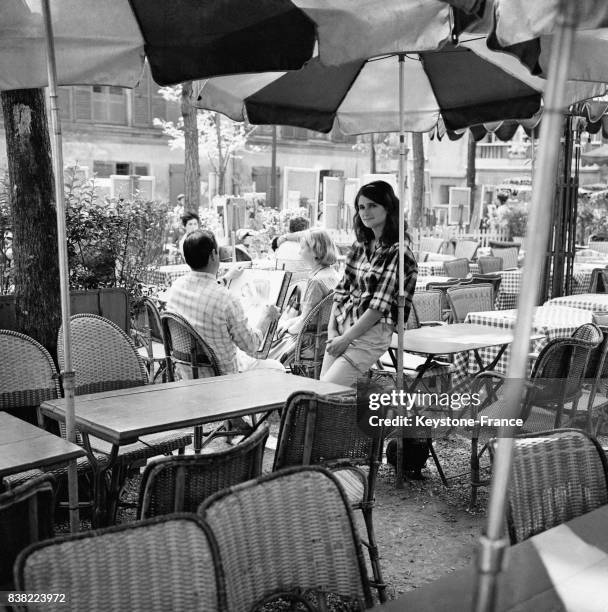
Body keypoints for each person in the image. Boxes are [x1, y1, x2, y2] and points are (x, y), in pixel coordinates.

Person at [320, 181, 417, 387]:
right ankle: (358, 415)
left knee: (327, 389)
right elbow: (341, 291)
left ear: (388, 207)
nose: (365, 212)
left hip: (370, 333)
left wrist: (345, 339)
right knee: (325, 392)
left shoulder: (398, 252)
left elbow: (378, 308)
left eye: (372, 205)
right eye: (361, 207)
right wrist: (332, 331)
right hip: (342, 326)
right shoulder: (359, 245)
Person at [166, 229, 284, 377]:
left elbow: (204, 292)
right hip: (222, 377)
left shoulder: (176, 287)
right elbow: (251, 345)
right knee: (277, 368)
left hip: (188, 372)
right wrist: (266, 317)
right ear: (213, 255)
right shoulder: (226, 299)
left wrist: (227, 278)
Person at [268, 229, 340, 364]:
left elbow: (304, 323)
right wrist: (288, 323)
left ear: (314, 251)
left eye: (302, 248)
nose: (299, 252)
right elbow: (309, 317)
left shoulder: (316, 280)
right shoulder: (333, 274)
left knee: (266, 349)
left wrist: (287, 329)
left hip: (308, 342)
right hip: (323, 338)